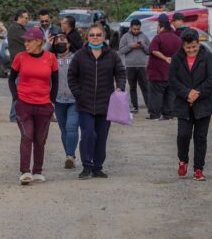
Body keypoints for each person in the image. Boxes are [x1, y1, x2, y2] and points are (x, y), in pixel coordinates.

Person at [68, 23, 126, 180]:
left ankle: (98, 167)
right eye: (92, 35)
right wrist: (78, 94)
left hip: (105, 103)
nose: (95, 37)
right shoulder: (80, 55)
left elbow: (121, 72)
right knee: (87, 134)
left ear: (104, 37)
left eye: (98, 34)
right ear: (87, 37)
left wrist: (120, 87)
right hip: (84, 104)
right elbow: (71, 76)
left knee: (101, 136)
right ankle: (87, 166)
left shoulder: (112, 55)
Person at [8, 26, 58, 185]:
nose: (26, 44)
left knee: (40, 139)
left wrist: (52, 101)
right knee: (27, 135)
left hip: (44, 105)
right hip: (24, 104)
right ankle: (24, 172)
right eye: (25, 41)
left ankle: (37, 171)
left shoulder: (50, 58)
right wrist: (16, 99)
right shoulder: (20, 57)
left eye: (29, 41)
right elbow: (11, 79)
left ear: (38, 42)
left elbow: (55, 81)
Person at [169, 28, 212, 181]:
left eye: (194, 47)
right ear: (183, 46)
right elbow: (172, 80)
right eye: (188, 47)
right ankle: (183, 160)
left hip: (204, 104)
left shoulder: (207, 57)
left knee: (200, 137)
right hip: (183, 104)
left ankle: (198, 169)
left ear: (198, 43)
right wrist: (186, 93)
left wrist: (197, 92)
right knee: (183, 135)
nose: (191, 50)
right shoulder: (177, 58)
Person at [146, 14, 182, 120]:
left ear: (161, 26)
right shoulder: (177, 38)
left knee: (156, 94)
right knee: (170, 94)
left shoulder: (158, 38)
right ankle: (168, 114)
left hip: (158, 72)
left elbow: (153, 50)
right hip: (172, 73)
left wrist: (165, 58)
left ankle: (155, 114)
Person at [51, 31, 79, 169]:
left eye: (63, 39)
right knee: (64, 130)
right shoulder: (50, 59)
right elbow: (39, 54)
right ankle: (71, 156)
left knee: (71, 127)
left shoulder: (76, 58)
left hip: (74, 100)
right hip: (58, 100)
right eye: (57, 40)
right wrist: (47, 43)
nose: (60, 42)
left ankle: (69, 155)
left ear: (68, 43)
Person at [118, 19, 150, 114]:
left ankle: (149, 106)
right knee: (132, 87)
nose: (136, 31)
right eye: (134, 29)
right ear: (131, 27)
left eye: (138, 29)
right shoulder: (125, 37)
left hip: (142, 66)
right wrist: (131, 46)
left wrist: (143, 45)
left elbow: (149, 51)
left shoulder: (144, 36)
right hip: (130, 66)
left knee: (145, 87)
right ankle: (135, 107)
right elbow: (121, 51)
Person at [7, 9, 29, 122]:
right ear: (19, 18)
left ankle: (15, 115)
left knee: (20, 90)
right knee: (18, 91)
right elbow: (29, 39)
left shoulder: (18, 28)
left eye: (27, 18)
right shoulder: (16, 28)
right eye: (25, 18)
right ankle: (14, 115)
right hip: (19, 64)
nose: (26, 20)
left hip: (21, 64)